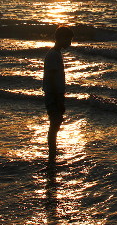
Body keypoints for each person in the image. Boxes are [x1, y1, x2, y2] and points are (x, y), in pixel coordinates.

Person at [43, 25, 74, 161]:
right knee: (54, 124)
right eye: (68, 39)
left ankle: (52, 152)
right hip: (53, 96)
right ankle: (52, 154)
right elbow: (53, 79)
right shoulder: (53, 55)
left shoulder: (55, 53)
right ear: (61, 38)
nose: (70, 43)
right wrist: (59, 99)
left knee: (55, 123)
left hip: (53, 95)